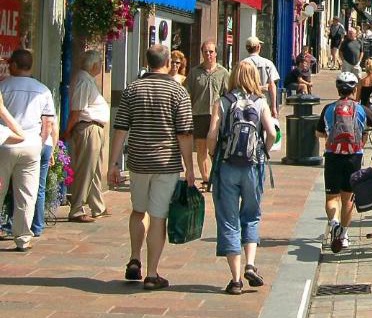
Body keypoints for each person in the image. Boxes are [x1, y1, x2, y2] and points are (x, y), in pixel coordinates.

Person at [108, 44, 196, 289]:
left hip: (138, 161)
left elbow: (121, 128)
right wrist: (189, 167)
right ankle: (152, 273)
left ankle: (134, 258)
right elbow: (185, 134)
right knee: (158, 218)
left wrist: (114, 163)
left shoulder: (132, 89)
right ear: (168, 62)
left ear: (147, 62)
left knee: (138, 211)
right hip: (166, 163)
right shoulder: (178, 91)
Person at [207, 61, 276, 295]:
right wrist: (263, 151)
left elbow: (212, 133)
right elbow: (272, 132)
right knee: (252, 215)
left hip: (226, 166)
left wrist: (212, 152)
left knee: (228, 219)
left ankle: (235, 280)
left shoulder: (223, 102)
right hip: (253, 167)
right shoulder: (261, 102)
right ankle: (250, 263)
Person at [0, 48, 54, 251]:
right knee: (27, 194)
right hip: (32, 145)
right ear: (30, 66)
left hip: (5, 143)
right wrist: (40, 144)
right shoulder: (43, 90)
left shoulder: (3, 87)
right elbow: (47, 122)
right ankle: (23, 238)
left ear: (13, 65)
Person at [316, 73, 366, 253]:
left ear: (338, 89)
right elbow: (367, 129)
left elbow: (319, 132)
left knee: (331, 197)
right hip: (354, 157)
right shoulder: (360, 109)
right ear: (354, 89)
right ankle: (343, 235)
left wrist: (329, 136)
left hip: (333, 156)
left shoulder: (329, 108)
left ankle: (334, 223)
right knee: (348, 198)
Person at [64, 50, 109, 223]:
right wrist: (68, 131)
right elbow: (76, 111)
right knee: (85, 170)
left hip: (95, 127)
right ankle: (76, 209)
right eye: (100, 62)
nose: (101, 66)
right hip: (88, 128)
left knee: (95, 170)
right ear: (94, 65)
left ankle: (97, 206)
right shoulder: (83, 80)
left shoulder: (88, 79)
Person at [186, 41, 229, 190]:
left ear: (216, 53)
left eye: (211, 51)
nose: (208, 54)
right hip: (199, 114)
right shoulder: (194, 72)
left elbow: (228, 95)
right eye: (205, 51)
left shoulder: (223, 73)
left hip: (217, 116)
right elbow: (187, 93)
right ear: (202, 53)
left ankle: (216, 176)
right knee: (201, 148)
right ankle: (206, 180)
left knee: (216, 148)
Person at [240, 36, 279, 120]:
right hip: (265, 102)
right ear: (258, 47)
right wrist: (274, 107)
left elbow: (241, 85)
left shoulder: (242, 64)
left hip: (248, 103)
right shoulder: (268, 63)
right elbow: (272, 86)